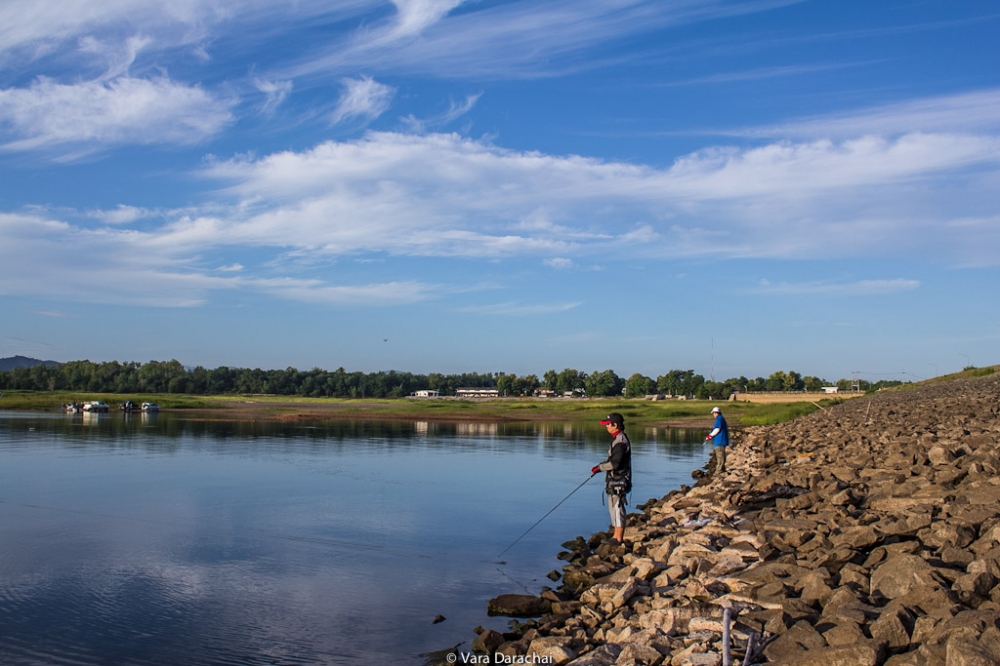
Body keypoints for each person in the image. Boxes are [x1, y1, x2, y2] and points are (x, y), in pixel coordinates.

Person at [591, 412, 632, 543]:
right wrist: (600, 466)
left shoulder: (620, 442)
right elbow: (612, 460)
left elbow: (615, 464)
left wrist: (600, 468)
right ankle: (615, 535)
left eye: (608, 424)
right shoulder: (617, 439)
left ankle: (618, 538)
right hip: (615, 479)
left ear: (615, 425)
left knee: (617, 507)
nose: (606, 427)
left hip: (619, 480)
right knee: (613, 507)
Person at [705, 406, 729, 473]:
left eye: (713, 413)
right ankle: (722, 469)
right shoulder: (722, 418)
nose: (713, 415)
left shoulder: (718, 419)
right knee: (722, 455)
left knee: (720, 456)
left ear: (716, 413)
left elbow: (717, 429)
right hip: (723, 440)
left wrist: (710, 436)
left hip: (720, 440)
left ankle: (719, 470)